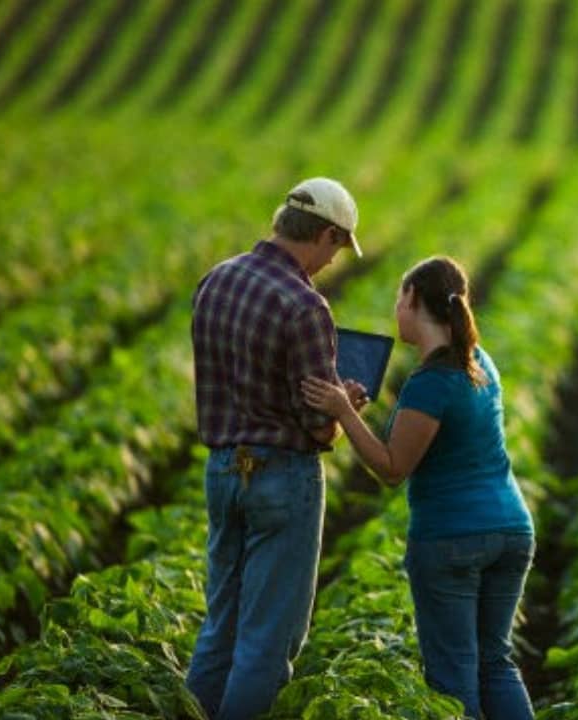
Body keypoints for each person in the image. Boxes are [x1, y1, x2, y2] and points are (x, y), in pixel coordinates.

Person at [301, 256, 536, 720]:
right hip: (512, 529)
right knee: (496, 663)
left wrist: (345, 414)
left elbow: (392, 468)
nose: (395, 307)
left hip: (453, 538)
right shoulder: (479, 363)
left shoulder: (431, 384)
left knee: (453, 675)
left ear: (411, 300)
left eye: (398, 298)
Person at [185, 177, 368, 720]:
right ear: (328, 234)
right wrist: (346, 408)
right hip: (282, 478)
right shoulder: (305, 307)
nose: (335, 261)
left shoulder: (215, 282)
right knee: (267, 641)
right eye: (339, 247)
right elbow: (317, 425)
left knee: (221, 627)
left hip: (223, 469)